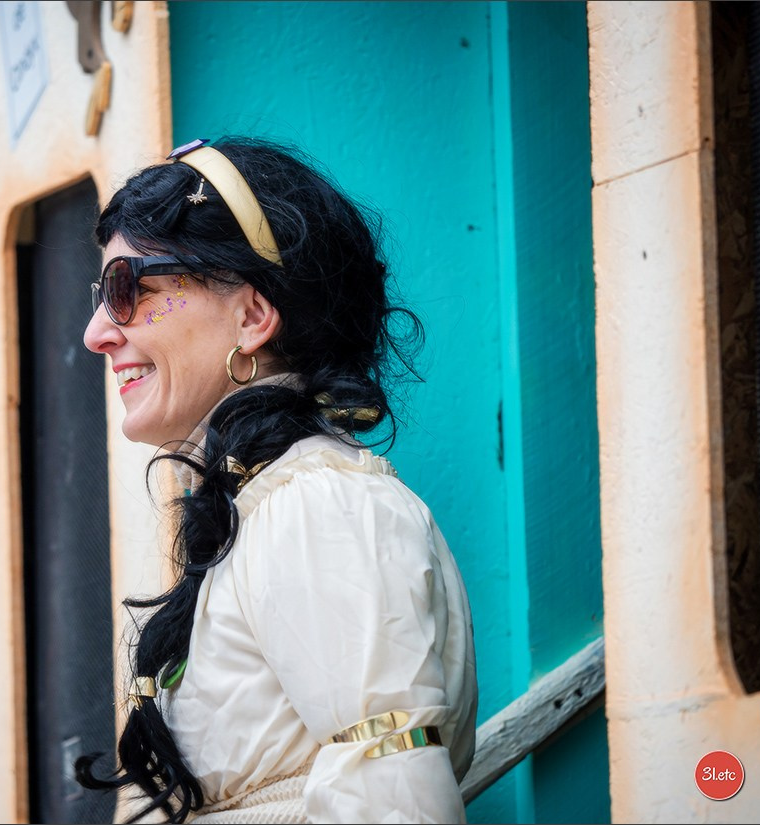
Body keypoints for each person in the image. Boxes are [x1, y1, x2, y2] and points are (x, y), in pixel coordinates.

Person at [77, 136, 477, 824]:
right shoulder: (265, 507)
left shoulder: (320, 509)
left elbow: (397, 804)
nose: (96, 333)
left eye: (127, 289)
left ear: (253, 316)